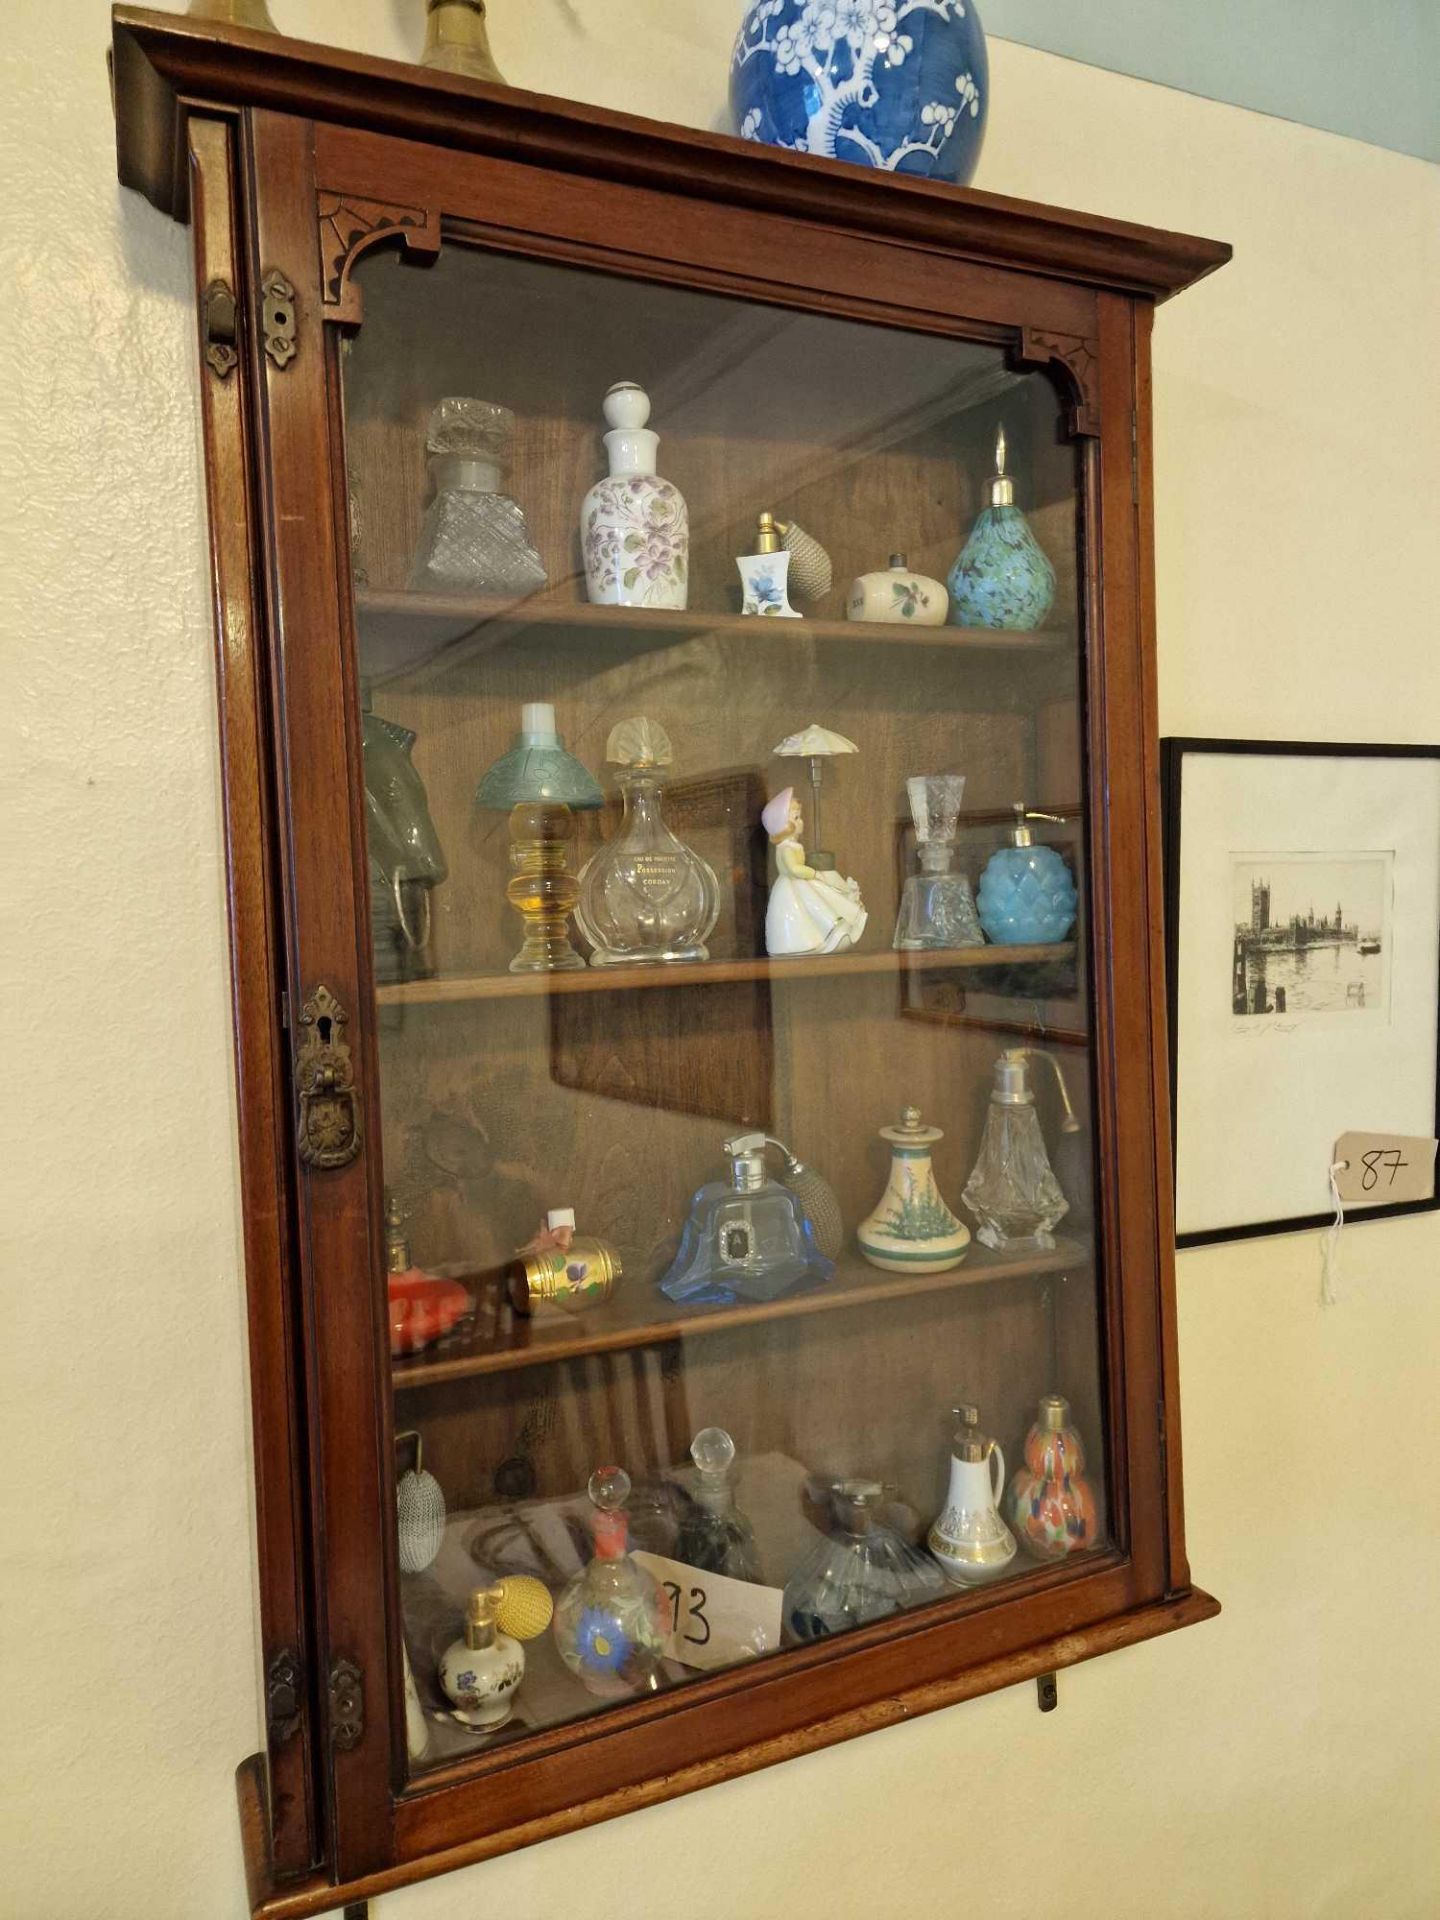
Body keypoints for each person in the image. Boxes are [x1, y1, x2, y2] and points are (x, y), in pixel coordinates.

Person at [762, 787, 867, 955]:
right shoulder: (786, 848)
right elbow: (794, 869)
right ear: (784, 826)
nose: (801, 821)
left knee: (820, 902)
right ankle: (798, 944)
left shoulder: (791, 845)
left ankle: (819, 940)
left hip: (799, 884)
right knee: (812, 906)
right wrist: (813, 874)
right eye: (796, 817)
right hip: (794, 886)